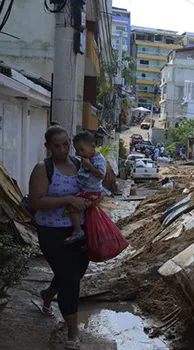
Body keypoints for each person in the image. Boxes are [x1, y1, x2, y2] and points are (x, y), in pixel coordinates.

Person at [29, 126, 91, 350]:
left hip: (80, 230)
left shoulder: (78, 164)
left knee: (77, 271)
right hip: (52, 232)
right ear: (47, 147)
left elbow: (91, 187)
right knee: (69, 279)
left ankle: (47, 293)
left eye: (66, 144)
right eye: (57, 145)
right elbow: (36, 201)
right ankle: (73, 332)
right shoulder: (43, 169)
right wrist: (68, 200)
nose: (63, 149)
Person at [64, 131, 107, 244]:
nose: (80, 153)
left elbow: (101, 175)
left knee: (73, 208)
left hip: (92, 192)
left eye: (82, 150)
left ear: (93, 146)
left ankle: (78, 232)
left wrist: (89, 166)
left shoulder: (99, 160)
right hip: (86, 191)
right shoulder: (84, 159)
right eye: (77, 150)